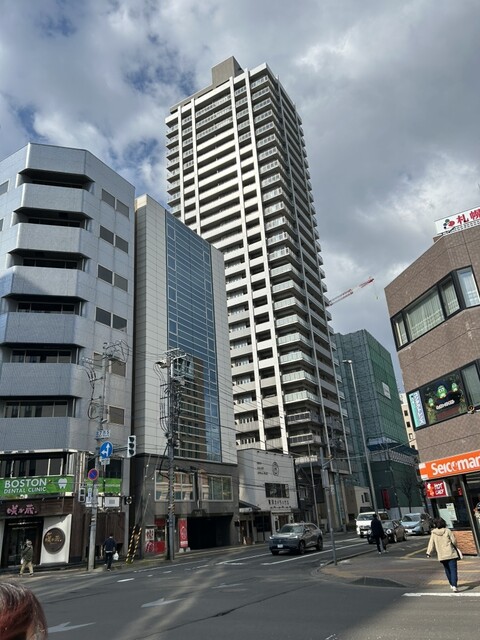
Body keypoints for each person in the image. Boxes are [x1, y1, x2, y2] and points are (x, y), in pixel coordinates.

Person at [426, 517, 460, 592]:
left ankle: (451, 584)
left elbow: (431, 543)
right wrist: (456, 547)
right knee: (453, 570)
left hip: (441, 555)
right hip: (451, 553)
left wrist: (428, 552)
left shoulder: (433, 533)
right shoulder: (447, 531)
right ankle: (454, 585)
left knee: (447, 569)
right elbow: (454, 541)